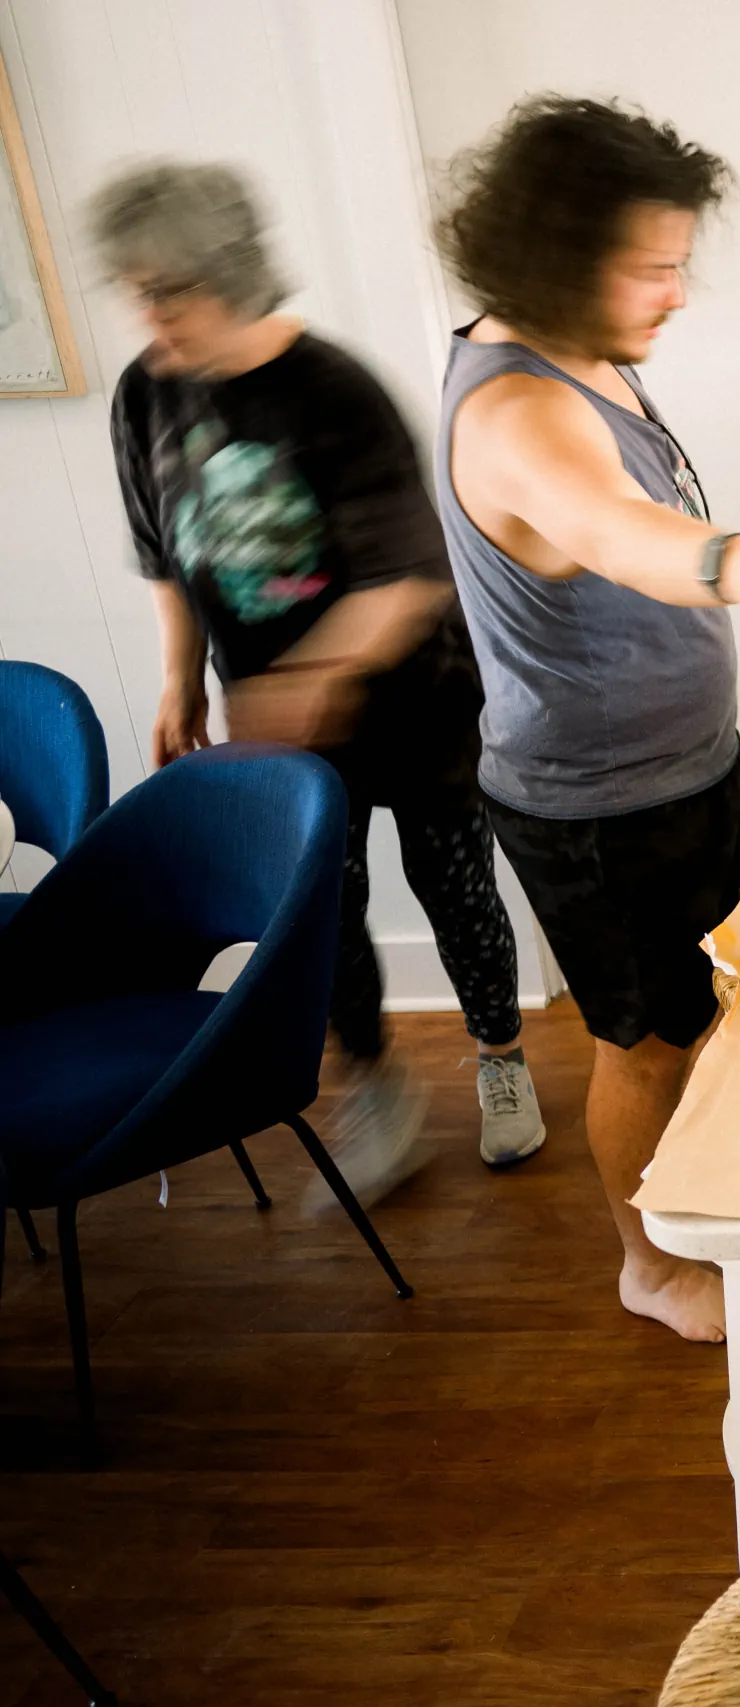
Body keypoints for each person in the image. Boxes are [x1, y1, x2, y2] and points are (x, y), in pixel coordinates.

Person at [432, 97, 740, 1343]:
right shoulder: (517, 411)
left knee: (721, 1005)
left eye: (678, 264)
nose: (675, 294)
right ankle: (649, 1267)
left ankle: (726, 1211)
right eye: (649, 269)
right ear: (552, 260)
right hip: (600, 802)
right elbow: (613, 529)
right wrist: (734, 560)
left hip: (686, 766)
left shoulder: (581, 355)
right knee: (644, 1043)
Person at [93, 160, 544, 1209]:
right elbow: (161, 551)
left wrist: (316, 675)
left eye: (169, 290)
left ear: (232, 276)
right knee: (323, 913)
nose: (147, 312)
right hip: (276, 721)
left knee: (455, 892)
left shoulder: (333, 389)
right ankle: (374, 1085)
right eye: (135, 288)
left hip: (417, 707)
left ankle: (500, 1058)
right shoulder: (144, 390)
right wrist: (179, 679)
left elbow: (410, 577)